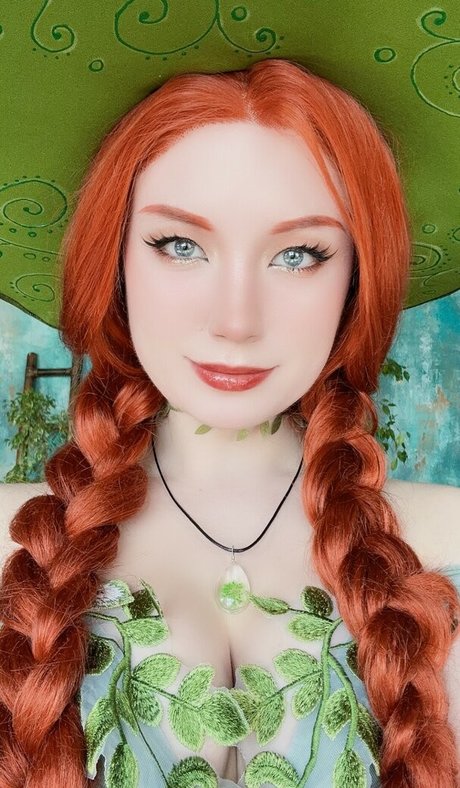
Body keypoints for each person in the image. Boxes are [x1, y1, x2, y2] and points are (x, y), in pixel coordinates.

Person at [0, 58, 458, 788]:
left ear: (357, 277)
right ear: (114, 260)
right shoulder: (10, 546)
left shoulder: (448, 545)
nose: (235, 321)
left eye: (298, 254)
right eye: (180, 245)